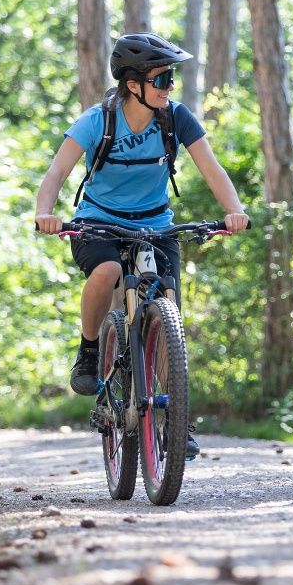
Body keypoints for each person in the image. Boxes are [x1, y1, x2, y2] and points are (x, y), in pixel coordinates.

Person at [35, 32, 249, 456]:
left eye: (171, 78)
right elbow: (56, 172)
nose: (170, 87)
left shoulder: (176, 118)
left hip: (155, 224)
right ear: (133, 85)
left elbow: (212, 168)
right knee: (108, 271)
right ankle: (89, 350)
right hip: (99, 222)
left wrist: (235, 211)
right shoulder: (98, 121)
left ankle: (176, 421)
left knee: (168, 308)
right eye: (162, 79)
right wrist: (46, 212)